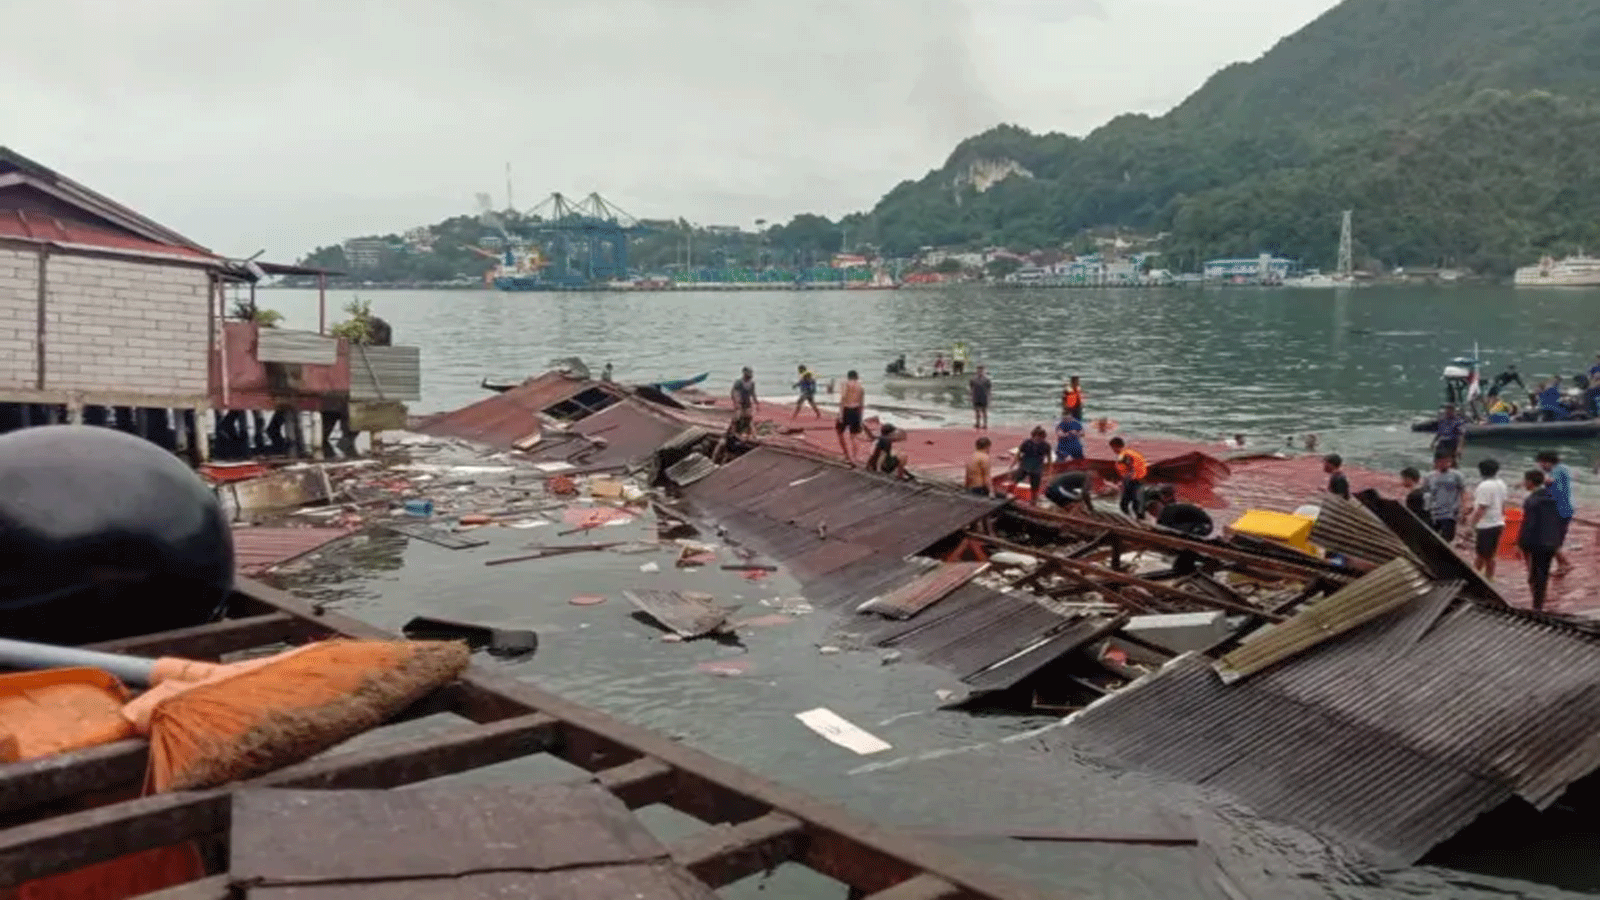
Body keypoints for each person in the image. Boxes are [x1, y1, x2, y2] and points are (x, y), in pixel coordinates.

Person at [1519, 468, 1563, 611]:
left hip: (1537, 542)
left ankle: (1536, 607)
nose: (1523, 483)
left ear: (1530, 483)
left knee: (1534, 575)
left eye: (1525, 481)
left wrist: (1520, 544)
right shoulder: (1554, 497)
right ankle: (1539, 604)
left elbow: (1528, 524)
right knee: (1543, 574)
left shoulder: (1531, 500)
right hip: (1552, 541)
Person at [1535, 450, 1574, 576]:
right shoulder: (1562, 468)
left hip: (1559, 510)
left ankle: (1565, 564)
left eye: (1541, 463)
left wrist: (1531, 481)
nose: (1540, 466)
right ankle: (1563, 564)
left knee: (1552, 540)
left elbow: (1550, 482)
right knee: (1554, 540)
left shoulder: (1557, 470)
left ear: (1547, 462)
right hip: (1564, 508)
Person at [1468, 458, 1507, 580]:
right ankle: (1489, 577)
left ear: (1480, 471)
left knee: (1481, 555)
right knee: (1490, 554)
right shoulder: (1501, 484)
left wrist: (1471, 525)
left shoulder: (1484, 486)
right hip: (1498, 523)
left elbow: (1481, 508)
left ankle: (1474, 578)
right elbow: (1503, 504)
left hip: (1486, 525)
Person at [1421, 451, 1467, 541]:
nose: (1446, 464)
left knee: (1448, 538)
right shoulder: (1429, 476)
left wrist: (1464, 509)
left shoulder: (1457, 475)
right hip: (1433, 512)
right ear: (1436, 462)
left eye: (1448, 462)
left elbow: (1463, 492)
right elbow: (1425, 492)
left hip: (1450, 513)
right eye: (1442, 462)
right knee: (1431, 538)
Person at [1145, 484, 1214, 538]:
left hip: (1201, 527)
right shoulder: (1170, 508)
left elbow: (1170, 528)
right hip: (1205, 525)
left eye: (1151, 513)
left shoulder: (1166, 514)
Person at [1108, 436, 1148, 520]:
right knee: (1137, 501)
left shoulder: (1124, 455)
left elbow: (1131, 469)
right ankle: (1138, 518)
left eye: (1112, 448)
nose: (1113, 450)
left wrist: (1123, 482)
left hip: (1133, 481)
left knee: (1125, 503)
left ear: (1115, 446)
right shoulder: (1129, 452)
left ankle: (1130, 519)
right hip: (1140, 479)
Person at [1010, 427, 1052, 504]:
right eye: (1037, 437)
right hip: (1025, 465)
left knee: (1035, 485)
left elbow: (1049, 458)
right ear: (1033, 436)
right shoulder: (1026, 443)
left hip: (1037, 468)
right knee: (1016, 479)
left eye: (1041, 437)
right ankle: (1010, 493)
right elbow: (1018, 453)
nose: (1039, 439)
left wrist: (1049, 470)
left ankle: (1033, 500)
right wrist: (1013, 464)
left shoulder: (1046, 445)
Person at [834, 370, 867, 465]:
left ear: (848, 377)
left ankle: (847, 455)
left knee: (840, 432)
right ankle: (854, 458)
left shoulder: (845, 384)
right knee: (854, 436)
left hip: (846, 410)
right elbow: (862, 403)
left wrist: (840, 415)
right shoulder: (861, 387)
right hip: (856, 410)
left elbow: (843, 399)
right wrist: (860, 417)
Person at [730, 367, 757, 436]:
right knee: (736, 419)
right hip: (740, 404)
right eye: (747, 375)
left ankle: (750, 434)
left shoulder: (752, 383)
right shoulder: (738, 382)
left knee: (748, 419)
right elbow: (734, 393)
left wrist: (756, 402)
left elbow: (753, 393)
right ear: (744, 374)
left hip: (747, 403)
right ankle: (733, 433)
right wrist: (736, 402)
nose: (749, 377)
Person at [969, 364, 992, 430]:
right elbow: (971, 388)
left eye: (981, 370)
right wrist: (970, 396)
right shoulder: (973, 379)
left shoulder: (987, 379)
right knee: (977, 411)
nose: (980, 372)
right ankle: (978, 423)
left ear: (984, 371)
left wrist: (989, 398)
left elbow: (989, 389)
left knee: (984, 411)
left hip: (984, 397)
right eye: (979, 370)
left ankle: (985, 424)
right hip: (976, 397)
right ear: (977, 371)